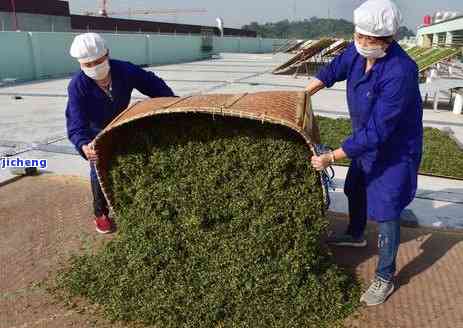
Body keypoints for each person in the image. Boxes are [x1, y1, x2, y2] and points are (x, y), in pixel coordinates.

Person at [306, 0, 423, 306]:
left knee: (386, 211)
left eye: (367, 40)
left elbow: (379, 132)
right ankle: (356, 233)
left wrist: (332, 156)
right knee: (354, 186)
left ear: (387, 40)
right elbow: (333, 69)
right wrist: (305, 93)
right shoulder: (356, 53)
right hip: (364, 141)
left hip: (394, 150)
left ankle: (385, 276)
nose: (360, 43)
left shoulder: (400, 71)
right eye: (357, 36)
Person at [65, 33, 175, 234]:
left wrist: (171, 102)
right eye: (87, 64)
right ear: (80, 64)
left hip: (121, 122)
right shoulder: (78, 86)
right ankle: (100, 213)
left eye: (98, 61)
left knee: (137, 155)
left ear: (107, 54)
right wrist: (83, 144)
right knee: (98, 167)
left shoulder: (124, 70)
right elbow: (75, 123)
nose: (94, 67)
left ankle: (138, 200)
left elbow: (153, 84)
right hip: (95, 131)